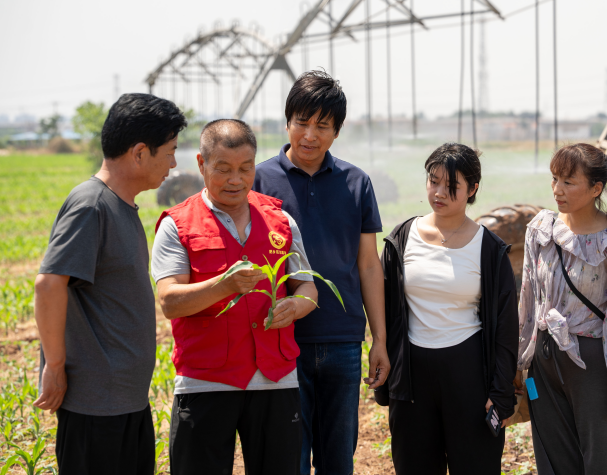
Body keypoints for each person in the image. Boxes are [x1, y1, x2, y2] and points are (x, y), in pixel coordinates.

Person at [152, 119, 316, 475]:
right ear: (201, 164)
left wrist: (296, 306)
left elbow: (307, 286)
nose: (236, 180)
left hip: (275, 379)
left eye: (245, 168)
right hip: (206, 382)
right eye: (223, 169)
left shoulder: (281, 221)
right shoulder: (177, 224)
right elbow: (169, 301)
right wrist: (224, 286)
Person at [34, 93, 186, 475]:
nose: (173, 163)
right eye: (169, 152)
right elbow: (49, 285)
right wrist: (53, 365)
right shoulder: (91, 205)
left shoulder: (122, 205)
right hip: (95, 407)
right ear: (139, 153)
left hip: (124, 401)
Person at [252, 70, 390, 475]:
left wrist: (378, 339)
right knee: (287, 458)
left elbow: (368, 264)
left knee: (338, 459)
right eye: (302, 122)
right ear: (288, 121)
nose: (310, 135)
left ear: (337, 131)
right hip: (281, 341)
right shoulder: (258, 180)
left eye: (322, 126)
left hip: (343, 341)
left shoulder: (356, 183)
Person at [375, 143, 518, 475]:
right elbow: (384, 306)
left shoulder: (489, 248)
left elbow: (506, 327)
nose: (439, 192)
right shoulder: (403, 237)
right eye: (433, 180)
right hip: (412, 377)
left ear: (473, 190)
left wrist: (499, 391)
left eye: (451, 186)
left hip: (469, 375)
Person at [518, 143, 607, 475]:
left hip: (593, 363)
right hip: (544, 362)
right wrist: (520, 361)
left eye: (568, 182)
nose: (557, 190)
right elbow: (529, 300)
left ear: (596, 189)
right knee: (554, 461)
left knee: (605, 462)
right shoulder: (541, 229)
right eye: (555, 179)